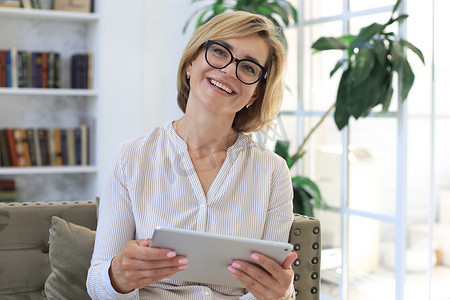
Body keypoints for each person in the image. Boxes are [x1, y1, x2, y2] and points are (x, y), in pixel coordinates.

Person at [87, 11, 297, 300]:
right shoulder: (130, 158)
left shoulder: (272, 171)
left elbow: (277, 286)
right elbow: (97, 284)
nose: (228, 70)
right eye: (220, 52)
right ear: (190, 63)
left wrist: (278, 294)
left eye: (248, 68)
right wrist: (119, 275)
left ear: (254, 94)